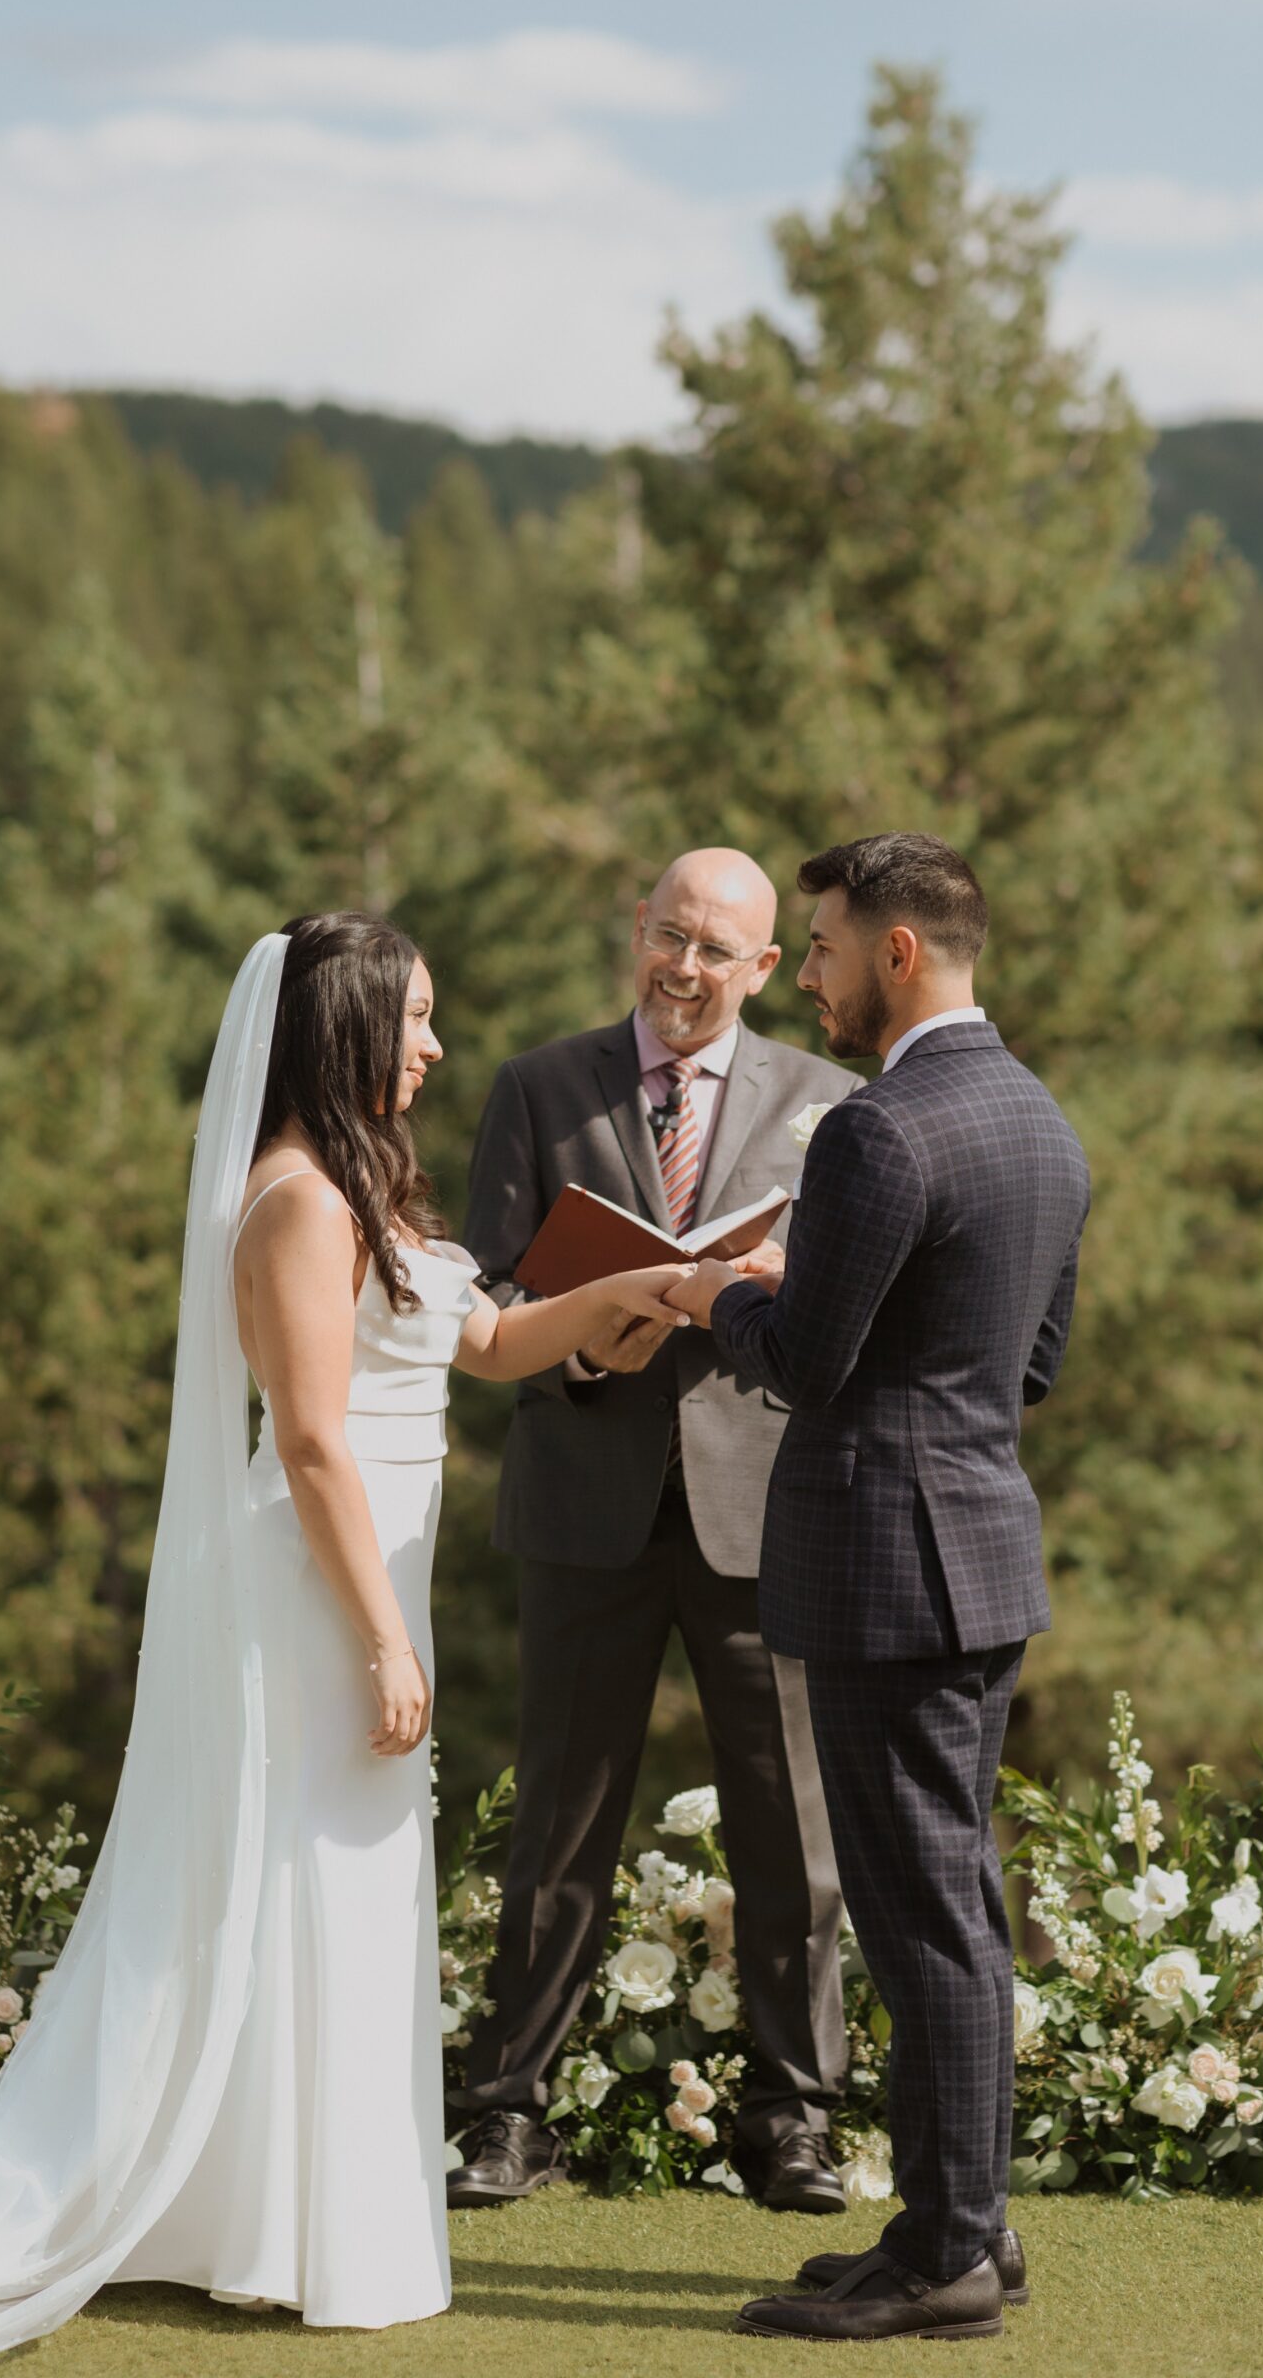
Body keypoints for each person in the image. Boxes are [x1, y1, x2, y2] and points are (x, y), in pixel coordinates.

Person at [0, 914, 691, 2368]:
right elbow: (307, 1439)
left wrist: (632, 1297)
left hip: (374, 1566)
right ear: (346, 1028)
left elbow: (480, 1347)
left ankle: (278, 2219)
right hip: (320, 1581)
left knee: (343, 1879)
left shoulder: (370, 1182)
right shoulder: (297, 1199)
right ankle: (291, 2227)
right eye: (412, 1021)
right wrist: (384, 1643)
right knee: (310, 1868)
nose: (432, 1047)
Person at [665, 833, 1091, 2346]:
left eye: (830, 947)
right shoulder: (1043, 1123)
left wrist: (733, 1297)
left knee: (923, 1923)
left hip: (882, 1573)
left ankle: (947, 2259)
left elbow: (807, 1366)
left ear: (897, 952)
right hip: (976, 1552)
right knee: (952, 1903)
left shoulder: (878, 1131)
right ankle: (956, 2225)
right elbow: (1028, 1367)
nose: (822, 977)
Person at [447, 848, 855, 2215]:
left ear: (762, 971)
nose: (685, 970)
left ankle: (793, 2122)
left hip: (765, 1512)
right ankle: (506, 2113)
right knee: (561, 1821)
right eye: (667, 937)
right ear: (638, 933)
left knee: (790, 1832)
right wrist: (579, 1353)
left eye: (715, 951)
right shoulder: (538, 1086)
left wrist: (782, 1290)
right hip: (584, 1499)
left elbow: (854, 1320)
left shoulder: (830, 1102)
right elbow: (489, 1289)